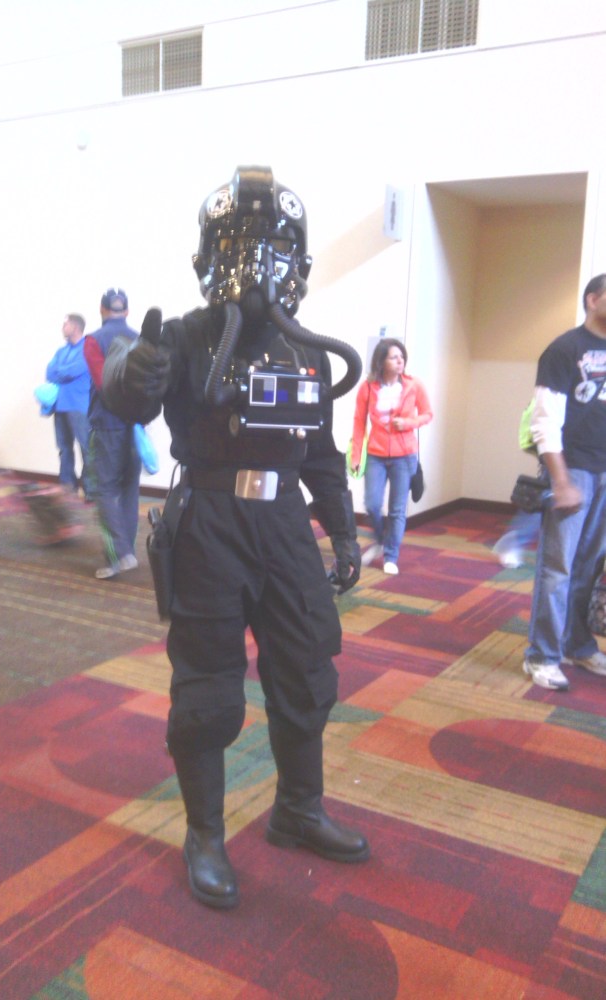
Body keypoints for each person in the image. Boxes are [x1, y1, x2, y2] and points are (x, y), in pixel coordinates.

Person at [96, 166, 369, 910]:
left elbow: (320, 450)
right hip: (210, 525)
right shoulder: (185, 337)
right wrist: (136, 368)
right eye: (240, 242)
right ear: (208, 254)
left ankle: (298, 811)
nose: (258, 259)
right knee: (209, 688)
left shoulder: (307, 350)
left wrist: (342, 533)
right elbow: (126, 391)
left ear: (301, 260)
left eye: (274, 244)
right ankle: (205, 835)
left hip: (284, 527)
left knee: (307, 669)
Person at [523, 273, 606, 691]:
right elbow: (544, 422)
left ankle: (577, 643)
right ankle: (542, 654)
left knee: (589, 568)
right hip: (573, 470)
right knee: (556, 568)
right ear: (593, 299)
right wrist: (561, 480)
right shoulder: (563, 350)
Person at [349, 338, 432, 575]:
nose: (400, 361)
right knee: (372, 504)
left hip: (404, 456)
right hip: (375, 454)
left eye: (401, 357)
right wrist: (356, 455)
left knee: (397, 510)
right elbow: (358, 423)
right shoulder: (368, 387)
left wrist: (408, 422)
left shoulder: (413, 385)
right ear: (381, 361)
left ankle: (391, 555)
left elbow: (427, 414)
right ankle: (379, 540)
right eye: (394, 357)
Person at [83, 288, 141, 579]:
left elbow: (103, 381)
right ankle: (126, 551)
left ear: (102, 310)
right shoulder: (140, 339)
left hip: (107, 424)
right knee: (130, 489)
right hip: (136, 425)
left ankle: (118, 553)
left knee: (104, 489)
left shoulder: (93, 341)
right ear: (127, 311)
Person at [45, 313, 94, 499]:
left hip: (79, 406)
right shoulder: (61, 351)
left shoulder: (87, 349)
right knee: (64, 448)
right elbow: (50, 372)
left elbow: (74, 371)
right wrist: (63, 372)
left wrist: (62, 372)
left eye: (65, 324)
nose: (62, 327)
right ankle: (68, 485)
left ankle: (90, 489)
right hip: (61, 406)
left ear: (75, 326)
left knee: (86, 449)